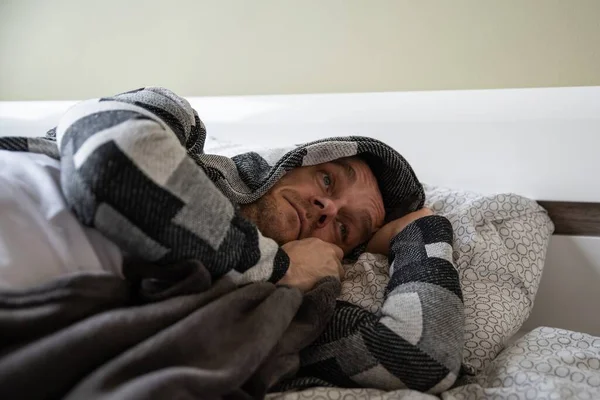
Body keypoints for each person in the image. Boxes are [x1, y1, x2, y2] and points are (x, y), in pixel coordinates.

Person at [0, 87, 463, 393]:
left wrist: (422, 233)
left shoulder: (288, 304)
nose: (329, 209)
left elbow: (422, 358)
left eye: (345, 227)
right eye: (326, 180)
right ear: (294, 160)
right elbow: (112, 163)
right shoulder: (176, 125)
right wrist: (278, 267)